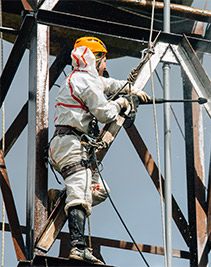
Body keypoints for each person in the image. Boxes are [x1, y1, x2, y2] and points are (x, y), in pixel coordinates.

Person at [48, 36, 150, 264]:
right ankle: (78, 247)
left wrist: (131, 89)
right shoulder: (86, 82)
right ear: (96, 59)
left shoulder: (83, 78)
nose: (105, 66)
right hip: (70, 145)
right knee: (80, 193)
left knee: (99, 190)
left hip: (72, 146)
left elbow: (111, 84)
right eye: (104, 60)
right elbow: (105, 113)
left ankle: (59, 199)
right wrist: (123, 103)